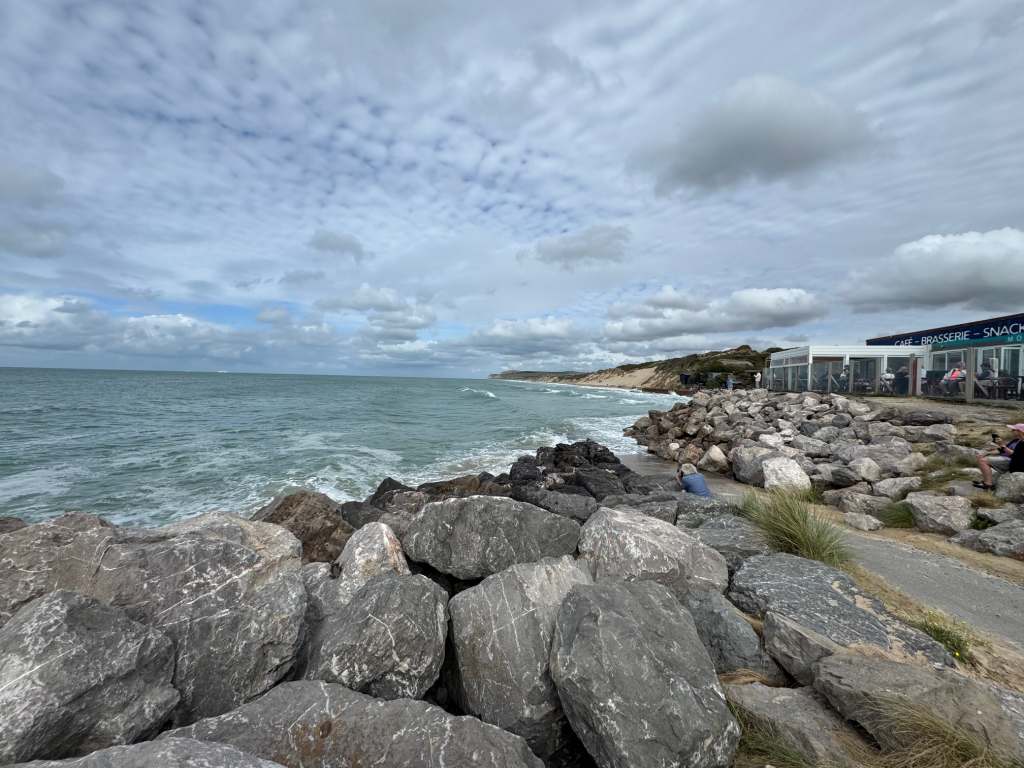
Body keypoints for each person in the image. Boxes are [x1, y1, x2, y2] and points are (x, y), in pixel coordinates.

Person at [975, 424, 1024, 490]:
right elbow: (1002, 450)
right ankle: (987, 482)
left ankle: (988, 484)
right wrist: (989, 451)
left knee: (983, 460)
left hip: (1016, 466)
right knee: (982, 458)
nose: (1011, 431)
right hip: (1012, 462)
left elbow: (1015, 455)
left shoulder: (1021, 442)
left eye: (1013, 430)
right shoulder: (1018, 441)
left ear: (1020, 431)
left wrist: (1002, 445)